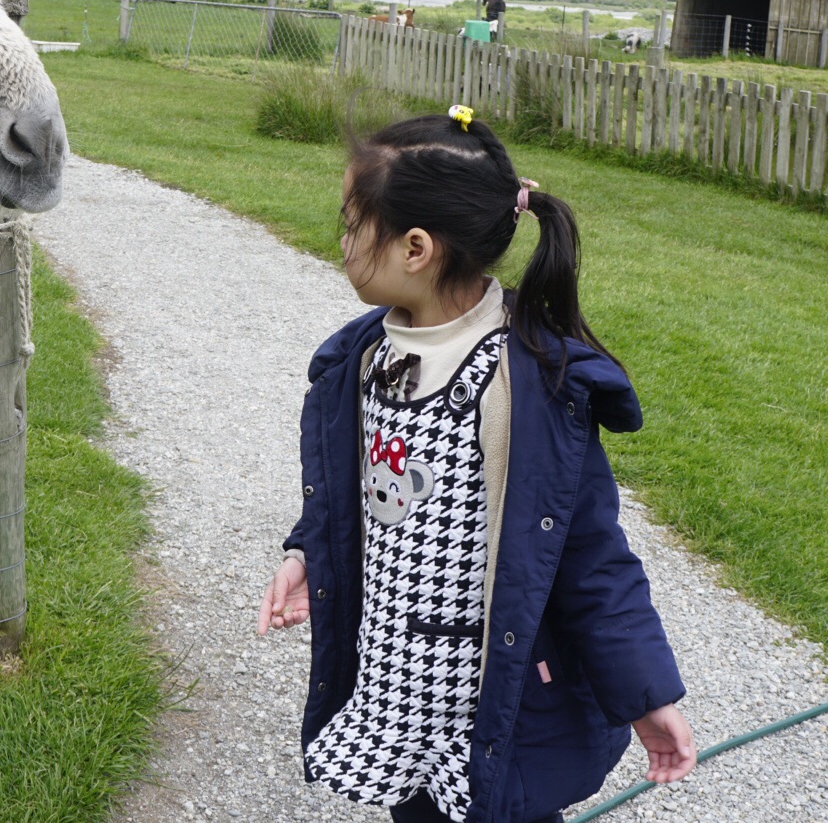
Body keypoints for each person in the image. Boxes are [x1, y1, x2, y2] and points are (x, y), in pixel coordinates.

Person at [257, 107, 695, 823]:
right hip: (397, 687)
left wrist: (647, 695)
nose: (339, 240)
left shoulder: (526, 385)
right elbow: (356, 494)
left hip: (492, 713)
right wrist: (311, 550)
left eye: (351, 222)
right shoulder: (363, 358)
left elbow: (592, 555)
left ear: (416, 247)